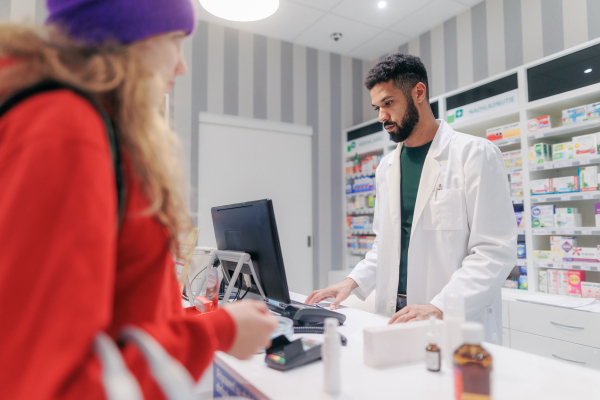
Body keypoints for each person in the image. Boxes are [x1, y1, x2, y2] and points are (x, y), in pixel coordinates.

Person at [0, 0, 277, 399]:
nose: (181, 65)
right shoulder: (66, 132)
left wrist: (200, 326)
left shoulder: (90, 125)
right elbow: (56, 385)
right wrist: (218, 331)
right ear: (129, 36)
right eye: (175, 40)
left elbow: (117, 314)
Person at [307, 54, 516, 343]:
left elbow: (494, 252)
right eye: (377, 107)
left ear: (418, 92)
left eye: (388, 103)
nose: (381, 116)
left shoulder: (475, 155)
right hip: (394, 312)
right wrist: (350, 283)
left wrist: (439, 307)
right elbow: (385, 246)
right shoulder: (386, 167)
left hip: (451, 319)